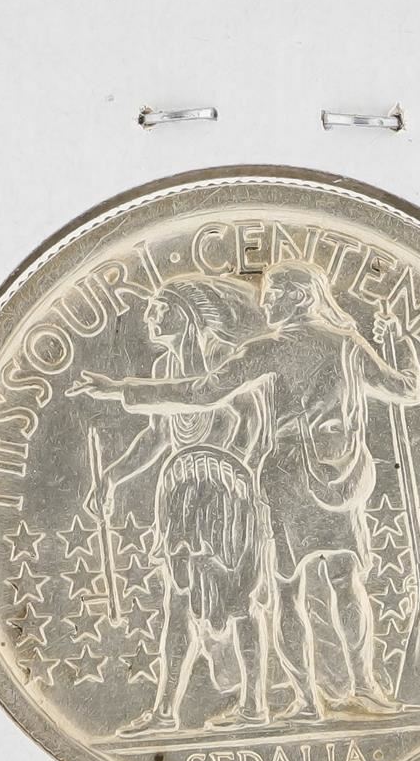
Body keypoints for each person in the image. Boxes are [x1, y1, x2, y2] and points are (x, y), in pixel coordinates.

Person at [78, 261, 420, 719]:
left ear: (299, 297)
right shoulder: (345, 344)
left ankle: (310, 700)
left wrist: (122, 389)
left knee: (289, 591)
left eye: (274, 292)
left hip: (289, 475)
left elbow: (204, 392)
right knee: (341, 581)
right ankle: (359, 687)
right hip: (336, 473)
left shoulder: (274, 347)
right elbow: (407, 388)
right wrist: (402, 345)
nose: (265, 301)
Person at [72, 276, 273, 736]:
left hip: (227, 494)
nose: (150, 316)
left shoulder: (224, 357)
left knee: (240, 601)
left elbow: (249, 421)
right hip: (182, 492)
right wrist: (112, 476)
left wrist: (229, 475)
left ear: (187, 313)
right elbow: (157, 435)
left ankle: (254, 704)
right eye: (151, 308)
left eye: (161, 307)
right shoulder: (164, 365)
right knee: (178, 600)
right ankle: (165, 711)